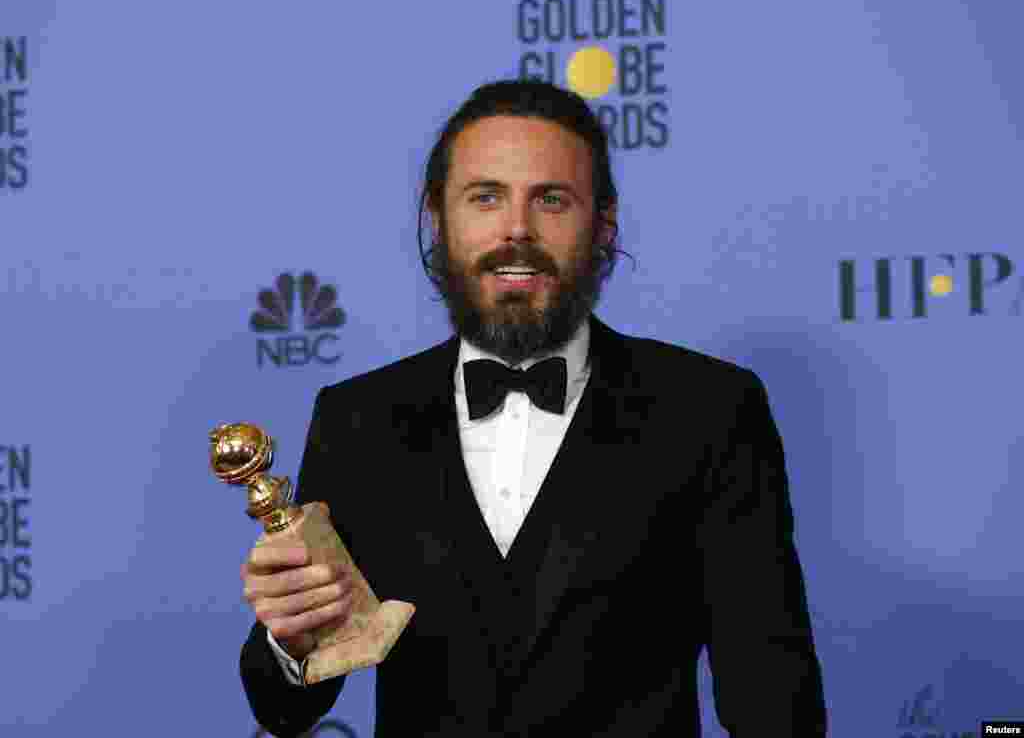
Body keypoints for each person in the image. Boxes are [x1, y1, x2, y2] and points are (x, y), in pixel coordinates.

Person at [238, 79, 827, 737]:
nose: (516, 230)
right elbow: (287, 709)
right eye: (485, 197)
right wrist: (291, 638)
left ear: (603, 224)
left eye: (551, 199)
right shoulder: (359, 420)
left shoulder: (710, 410)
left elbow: (773, 694)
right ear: (439, 218)